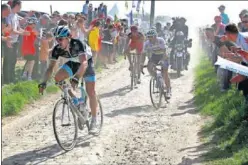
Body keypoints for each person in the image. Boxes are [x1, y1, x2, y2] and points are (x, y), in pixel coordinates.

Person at [38, 26, 98, 134]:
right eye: (56, 39)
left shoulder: (77, 44)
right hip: (74, 62)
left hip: (86, 63)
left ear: (68, 38)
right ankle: (76, 100)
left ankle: (94, 121)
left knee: (91, 92)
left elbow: (84, 63)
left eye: (60, 39)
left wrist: (76, 78)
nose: (58, 42)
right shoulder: (57, 49)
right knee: (57, 77)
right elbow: (50, 68)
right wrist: (43, 82)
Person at [3, 0, 30, 84]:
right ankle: (6, 80)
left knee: (13, 60)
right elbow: (11, 30)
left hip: (15, 41)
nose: (21, 8)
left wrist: (25, 32)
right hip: (9, 41)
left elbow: (18, 28)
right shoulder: (9, 15)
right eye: (20, 6)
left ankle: (11, 78)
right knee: (8, 61)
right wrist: (22, 33)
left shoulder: (16, 15)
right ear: (17, 5)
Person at [144, 29, 171, 98]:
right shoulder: (147, 43)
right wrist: (141, 63)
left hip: (164, 55)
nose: (149, 38)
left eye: (151, 36)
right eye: (148, 37)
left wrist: (162, 60)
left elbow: (164, 52)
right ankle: (156, 78)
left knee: (165, 72)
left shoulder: (160, 40)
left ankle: (168, 90)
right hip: (155, 56)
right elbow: (143, 53)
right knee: (149, 67)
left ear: (155, 36)